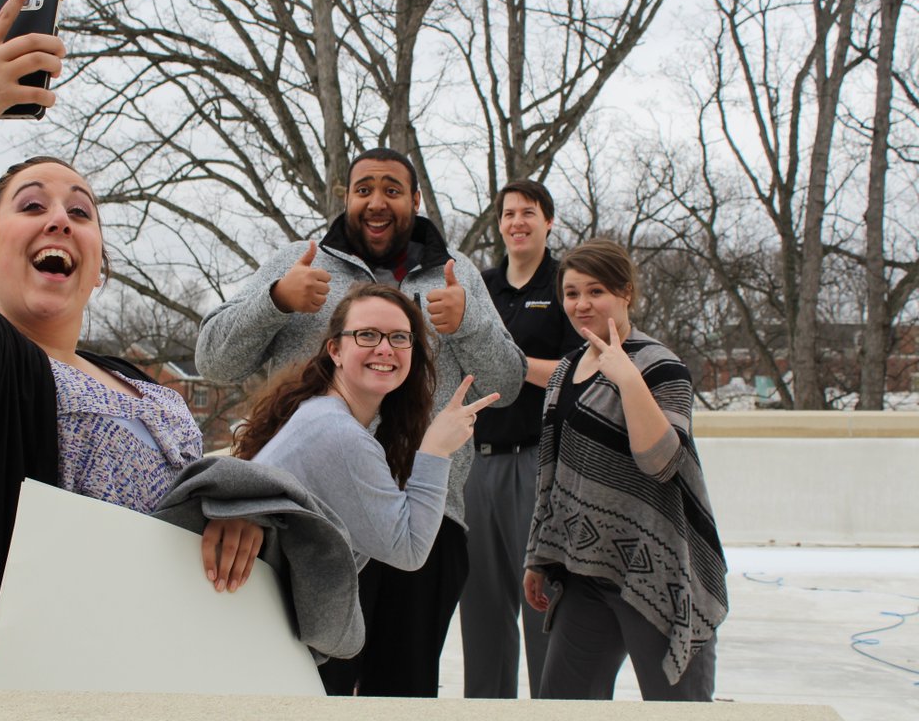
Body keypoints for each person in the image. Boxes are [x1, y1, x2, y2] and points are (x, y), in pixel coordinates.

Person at [0, 0, 262, 689]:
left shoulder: (143, 386)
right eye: (32, 205)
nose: (60, 220)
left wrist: (231, 518)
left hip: (134, 679)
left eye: (82, 211)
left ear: (97, 264)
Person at [196, 149, 526, 697]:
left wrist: (471, 326)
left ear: (415, 201)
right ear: (345, 198)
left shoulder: (457, 275)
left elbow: (507, 385)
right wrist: (275, 302)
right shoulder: (299, 262)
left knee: (403, 695)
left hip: (426, 517)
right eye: (364, 188)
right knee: (303, 689)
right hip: (312, 519)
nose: (377, 201)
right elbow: (213, 362)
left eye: (393, 189)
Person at [523, 238, 728, 701]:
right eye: (571, 293)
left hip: (650, 566)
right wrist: (538, 554)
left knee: (678, 707)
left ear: (626, 293)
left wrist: (627, 377)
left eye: (596, 292)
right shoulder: (565, 371)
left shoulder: (661, 367)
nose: (581, 304)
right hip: (582, 566)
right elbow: (553, 477)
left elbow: (661, 462)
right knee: (562, 704)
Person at [232, 283, 499, 573]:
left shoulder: (319, 413)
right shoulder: (338, 432)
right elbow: (409, 550)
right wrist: (436, 449)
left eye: (398, 337)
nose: (385, 349)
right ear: (335, 350)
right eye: (367, 335)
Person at [460, 180, 581, 698]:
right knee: (482, 609)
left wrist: (511, 367)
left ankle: (553, 709)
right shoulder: (481, 287)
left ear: (548, 221)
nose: (517, 223)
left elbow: (580, 373)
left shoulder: (565, 285)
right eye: (508, 213)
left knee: (542, 603)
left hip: (538, 462)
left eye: (528, 213)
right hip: (475, 464)